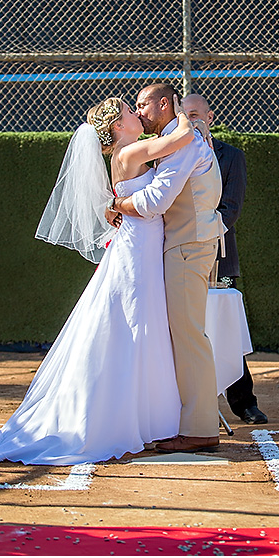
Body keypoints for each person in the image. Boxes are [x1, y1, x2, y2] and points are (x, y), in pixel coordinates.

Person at [0, 98, 201, 465]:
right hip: (137, 247)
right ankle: (128, 419)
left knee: (138, 323)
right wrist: (179, 108)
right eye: (132, 111)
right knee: (135, 321)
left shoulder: (126, 153)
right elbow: (180, 138)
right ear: (117, 126)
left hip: (139, 243)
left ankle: (140, 419)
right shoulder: (131, 152)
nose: (138, 115)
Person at [109, 83, 225, 453]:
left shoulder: (184, 142)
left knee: (189, 335)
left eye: (143, 104)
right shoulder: (175, 138)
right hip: (183, 244)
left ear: (163, 104)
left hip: (188, 245)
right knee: (182, 335)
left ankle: (200, 427)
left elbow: (158, 199)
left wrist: (119, 205)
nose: (139, 111)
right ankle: (188, 421)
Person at [182, 93, 268, 425]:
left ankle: (244, 402)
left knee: (224, 327)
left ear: (210, 116)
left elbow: (230, 209)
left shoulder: (231, 157)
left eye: (194, 114)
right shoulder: (171, 153)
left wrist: (196, 234)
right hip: (180, 256)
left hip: (219, 255)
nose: (189, 120)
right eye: (184, 115)